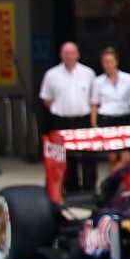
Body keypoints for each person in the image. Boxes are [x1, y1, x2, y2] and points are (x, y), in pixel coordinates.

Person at [39, 42, 96, 192]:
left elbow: (94, 98)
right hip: (61, 120)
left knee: (87, 154)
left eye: (72, 53)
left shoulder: (88, 73)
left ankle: (89, 186)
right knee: (66, 156)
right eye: (66, 53)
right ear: (61, 55)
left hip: (83, 119)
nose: (69, 56)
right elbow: (46, 98)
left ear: (77, 54)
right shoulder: (51, 74)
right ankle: (71, 187)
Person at [89, 47, 130, 170]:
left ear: (116, 62)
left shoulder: (129, 79)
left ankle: (110, 181)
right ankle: (113, 186)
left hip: (124, 117)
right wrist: (94, 124)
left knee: (125, 157)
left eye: (111, 61)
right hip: (107, 118)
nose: (108, 65)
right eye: (105, 62)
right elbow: (94, 104)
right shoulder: (98, 81)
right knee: (112, 157)